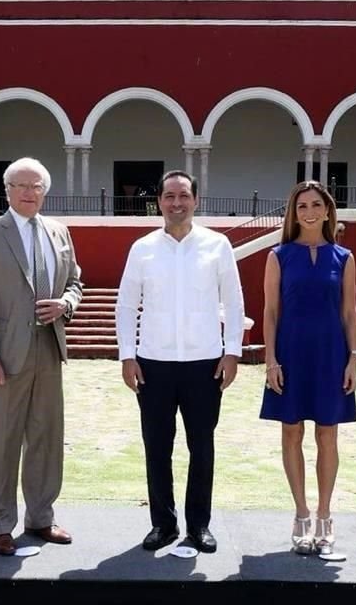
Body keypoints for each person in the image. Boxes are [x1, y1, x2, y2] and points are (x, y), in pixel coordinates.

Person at [115, 170, 244, 554]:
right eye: (169, 196)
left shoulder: (217, 245)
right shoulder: (142, 248)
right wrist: (127, 355)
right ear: (159, 201)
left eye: (183, 195)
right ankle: (163, 524)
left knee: (201, 446)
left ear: (196, 200)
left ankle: (199, 525)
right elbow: (125, 306)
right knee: (157, 447)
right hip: (153, 363)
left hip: (204, 363)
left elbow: (234, 302)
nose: (176, 203)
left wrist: (232, 351)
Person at [0, 157, 83, 556]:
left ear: (45, 192)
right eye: (21, 185)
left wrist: (65, 303)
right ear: (7, 190)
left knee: (47, 438)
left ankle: (41, 517)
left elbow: (76, 282)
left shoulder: (59, 232)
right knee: (3, 439)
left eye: (36, 186)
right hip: (5, 356)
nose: (29, 193)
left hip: (49, 350)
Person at [260, 180, 356, 557]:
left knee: (328, 435)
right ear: (293, 213)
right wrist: (271, 360)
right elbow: (270, 312)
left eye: (316, 204)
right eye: (302, 206)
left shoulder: (344, 257)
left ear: (328, 210)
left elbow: (350, 312)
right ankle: (301, 514)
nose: (309, 212)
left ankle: (325, 516)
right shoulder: (279, 256)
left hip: (331, 354)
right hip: (291, 353)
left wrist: (353, 358)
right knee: (291, 432)